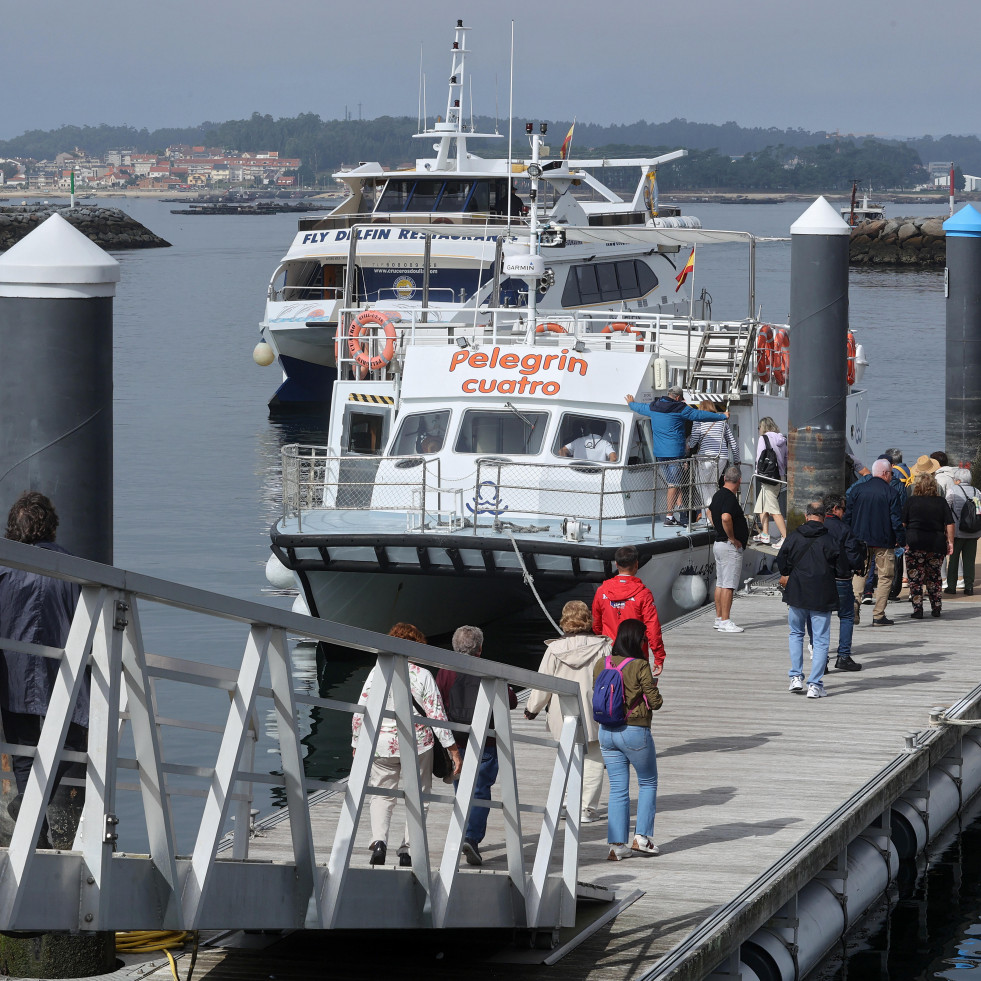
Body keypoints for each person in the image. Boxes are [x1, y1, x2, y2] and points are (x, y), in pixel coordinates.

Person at [0, 492, 87, 850]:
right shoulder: (74, 568)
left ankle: (30, 816)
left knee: (23, 751)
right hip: (62, 673)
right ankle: (35, 823)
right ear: (51, 525)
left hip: (13, 672)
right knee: (73, 741)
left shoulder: (4, 564)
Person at [351, 622, 462, 867]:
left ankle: (379, 842)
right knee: (419, 796)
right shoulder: (423, 675)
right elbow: (436, 715)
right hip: (417, 744)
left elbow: (361, 711)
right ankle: (407, 850)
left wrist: (357, 741)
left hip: (381, 743)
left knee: (381, 794)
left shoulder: (377, 672)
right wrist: (453, 749)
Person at [436, 625, 517, 867]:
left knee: (461, 789)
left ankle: (462, 833)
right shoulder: (488, 669)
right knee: (480, 790)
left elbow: (438, 698)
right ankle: (472, 837)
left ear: (454, 646)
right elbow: (511, 701)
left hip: (456, 740)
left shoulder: (445, 670)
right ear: (480, 649)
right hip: (486, 740)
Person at [525, 601, 610, 826]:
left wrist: (531, 708)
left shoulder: (554, 650)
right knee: (593, 759)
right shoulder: (602, 646)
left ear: (564, 620)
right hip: (595, 710)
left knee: (566, 757)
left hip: (563, 712)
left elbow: (543, 683)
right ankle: (586, 808)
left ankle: (564, 803)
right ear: (587, 619)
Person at [592, 619, 661, 860]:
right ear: (637, 640)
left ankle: (616, 845)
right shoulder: (640, 665)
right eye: (644, 639)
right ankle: (641, 838)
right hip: (634, 731)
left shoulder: (602, 663)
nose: (645, 644)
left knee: (618, 789)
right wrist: (651, 687)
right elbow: (655, 702)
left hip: (606, 732)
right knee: (648, 782)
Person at [625, 386, 727, 526]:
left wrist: (631, 403)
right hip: (675, 453)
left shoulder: (654, 406)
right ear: (678, 397)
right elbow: (701, 416)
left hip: (660, 454)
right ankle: (669, 516)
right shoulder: (681, 408)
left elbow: (639, 407)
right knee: (674, 483)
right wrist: (721, 416)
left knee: (672, 483)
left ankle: (678, 512)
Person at [777, 499, 840, 698]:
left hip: (797, 592)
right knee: (820, 640)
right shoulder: (829, 539)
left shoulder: (794, 536)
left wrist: (788, 572)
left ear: (806, 516)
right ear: (823, 517)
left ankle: (795, 677)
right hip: (821, 594)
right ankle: (815, 684)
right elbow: (840, 565)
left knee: (796, 633)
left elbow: (781, 560)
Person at [845, 458, 905, 626]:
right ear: (885, 473)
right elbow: (896, 521)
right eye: (891, 474)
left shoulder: (857, 490)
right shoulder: (892, 493)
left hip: (860, 541)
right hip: (884, 542)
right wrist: (901, 540)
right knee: (886, 577)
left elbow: (848, 516)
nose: (891, 477)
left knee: (859, 573)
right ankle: (878, 614)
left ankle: (855, 604)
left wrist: (848, 538)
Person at [592, 544, 666, 673]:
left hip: (610, 652)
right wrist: (658, 657)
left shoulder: (601, 591)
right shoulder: (643, 594)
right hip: (636, 654)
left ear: (616, 564)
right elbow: (652, 628)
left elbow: (596, 624)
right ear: (636, 564)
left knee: (611, 690)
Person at [822, 494, 867, 671]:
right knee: (847, 616)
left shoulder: (819, 526)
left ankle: (822, 660)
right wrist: (858, 566)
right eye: (843, 508)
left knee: (821, 618)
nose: (844, 512)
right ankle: (843, 656)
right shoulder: (843, 529)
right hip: (841, 578)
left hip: (821, 579)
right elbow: (853, 556)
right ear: (835, 509)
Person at [903, 472, 955, 619]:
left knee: (915, 578)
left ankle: (918, 609)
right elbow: (950, 523)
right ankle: (936, 607)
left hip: (915, 543)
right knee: (934, 577)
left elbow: (903, 523)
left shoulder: (911, 501)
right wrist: (950, 542)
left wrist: (902, 540)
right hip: (936, 544)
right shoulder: (941, 502)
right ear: (934, 486)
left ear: (917, 485)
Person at [709, 465, 748, 633]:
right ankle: (725, 621)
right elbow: (726, 517)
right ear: (739, 481)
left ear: (725, 479)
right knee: (729, 585)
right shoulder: (730, 498)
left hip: (718, 544)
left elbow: (709, 511)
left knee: (721, 582)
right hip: (728, 546)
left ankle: (719, 618)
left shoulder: (718, 495)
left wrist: (717, 528)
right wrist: (732, 537)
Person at [688, 400, 740, 521]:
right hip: (722, 457)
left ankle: (710, 514)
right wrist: (737, 459)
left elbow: (694, 440)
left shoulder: (698, 420)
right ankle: (716, 513)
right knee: (712, 485)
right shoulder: (722, 421)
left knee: (700, 485)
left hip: (706, 457)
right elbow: (732, 442)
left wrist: (688, 445)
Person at [752, 417, 788, 546]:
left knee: (773, 509)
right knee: (762, 505)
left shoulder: (764, 438)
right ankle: (765, 534)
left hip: (767, 476)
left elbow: (759, 456)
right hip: (778, 477)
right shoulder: (782, 440)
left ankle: (785, 538)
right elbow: (786, 458)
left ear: (763, 427)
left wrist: (757, 473)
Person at [946, 467, 980, 596]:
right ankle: (969, 587)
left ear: (958, 480)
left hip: (956, 532)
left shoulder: (953, 490)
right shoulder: (977, 492)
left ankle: (951, 586)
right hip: (973, 531)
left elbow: (947, 509)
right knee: (969, 561)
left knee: (953, 560)